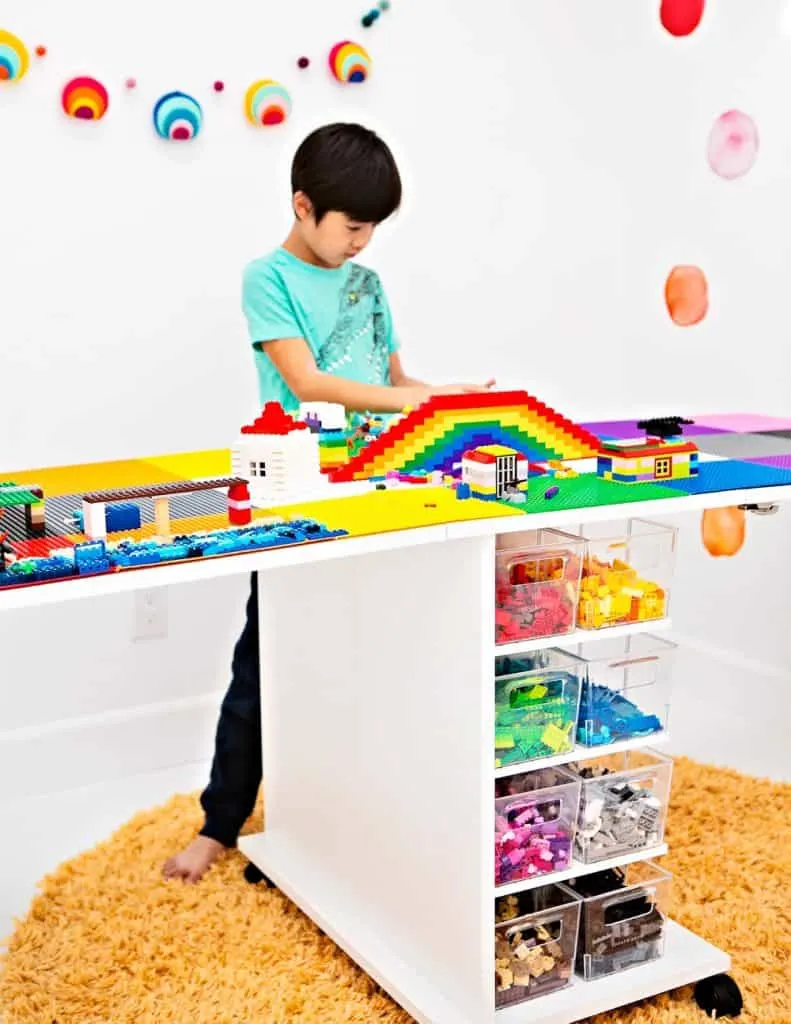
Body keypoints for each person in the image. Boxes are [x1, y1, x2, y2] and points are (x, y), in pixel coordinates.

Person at [163, 122, 494, 882]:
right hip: (299, 490)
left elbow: (397, 381)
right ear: (303, 206)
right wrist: (408, 403)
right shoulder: (266, 279)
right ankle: (220, 824)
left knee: (385, 653)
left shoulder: (367, 284)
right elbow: (309, 383)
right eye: (352, 226)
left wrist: (450, 398)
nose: (362, 244)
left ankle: (373, 813)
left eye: (373, 228)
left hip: (385, 486)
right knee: (263, 664)